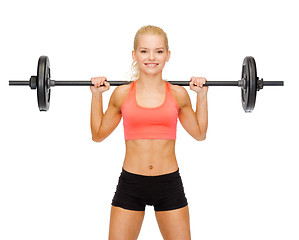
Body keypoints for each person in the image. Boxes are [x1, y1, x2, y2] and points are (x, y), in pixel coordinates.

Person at [90, 25, 208, 240]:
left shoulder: (179, 94)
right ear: (134, 55)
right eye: (144, 51)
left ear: (168, 55)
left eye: (159, 51)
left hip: (168, 184)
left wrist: (201, 96)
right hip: (131, 183)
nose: (151, 57)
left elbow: (199, 134)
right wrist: (96, 96)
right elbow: (98, 135)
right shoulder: (122, 94)